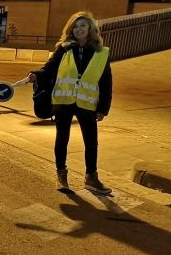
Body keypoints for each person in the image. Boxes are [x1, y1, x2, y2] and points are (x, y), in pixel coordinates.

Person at [28, 11, 113, 195]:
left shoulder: (101, 53)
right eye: (75, 26)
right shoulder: (64, 49)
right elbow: (48, 69)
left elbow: (106, 82)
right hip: (64, 101)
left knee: (91, 142)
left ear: (90, 28)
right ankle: (61, 175)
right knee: (62, 138)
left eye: (83, 25)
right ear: (70, 29)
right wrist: (36, 74)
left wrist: (103, 108)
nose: (79, 29)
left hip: (87, 103)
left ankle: (91, 177)